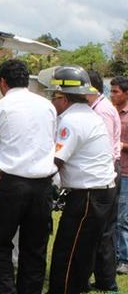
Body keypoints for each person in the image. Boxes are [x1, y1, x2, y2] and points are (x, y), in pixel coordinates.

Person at [0, 59, 57, 294]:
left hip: (12, 182)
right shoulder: (47, 106)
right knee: (35, 247)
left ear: (2, 82)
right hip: (43, 184)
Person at [47, 66, 116, 294]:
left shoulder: (72, 120)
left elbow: (55, 162)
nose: (52, 102)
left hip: (89, 195)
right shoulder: (85, 115)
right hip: (97, 192)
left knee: (68, 249)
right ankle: (76, 288)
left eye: (53, 96)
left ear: (63, 98)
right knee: (83, 248)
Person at [85, 70, 121, 291]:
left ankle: (104, 280)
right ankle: (105, 281)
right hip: (109, 171)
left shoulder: (102, 112)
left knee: (100, 229)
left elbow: (105, 148)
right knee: (103, 230)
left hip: (106, 173)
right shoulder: (101, 107)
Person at [111, 76, 128, 274]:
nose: (112, 95)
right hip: (111, 172)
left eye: (116, 91)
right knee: (112, 216)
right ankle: (114, 255)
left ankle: (124, 258)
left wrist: (122, 146)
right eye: (111, 91)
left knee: (123, 218)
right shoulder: (110, 112)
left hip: (125, 172)